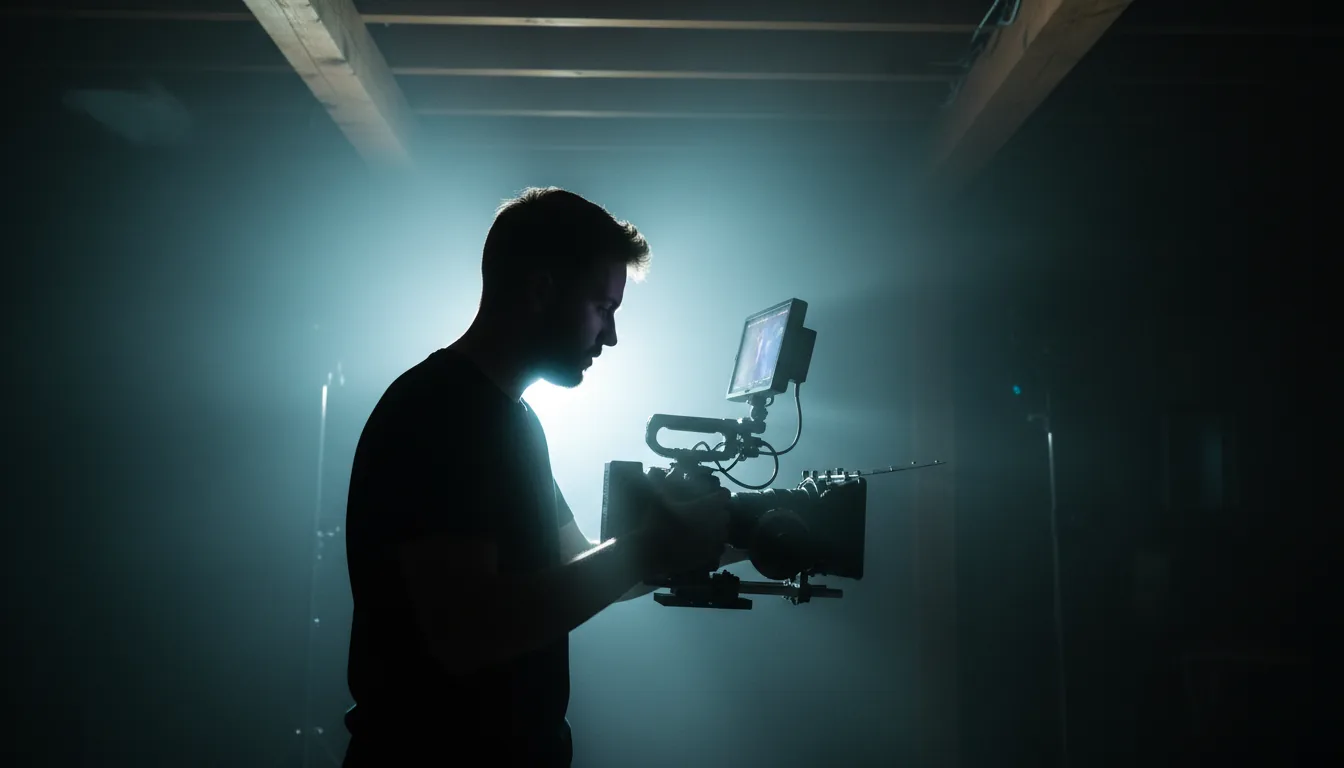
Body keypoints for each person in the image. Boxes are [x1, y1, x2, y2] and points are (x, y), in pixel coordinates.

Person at [341, 187, 737, 766]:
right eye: (602, 307)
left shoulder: (514, 420)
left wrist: (729, 535)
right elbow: (468, 632)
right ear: (540, 290)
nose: (610, 335)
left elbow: (581, 563)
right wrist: (649, 546)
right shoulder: (440, 412)